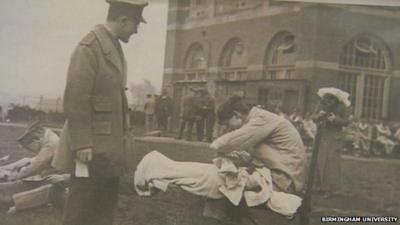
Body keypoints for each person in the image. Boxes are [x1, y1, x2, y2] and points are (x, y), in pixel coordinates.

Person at [61, 1, 148, 225]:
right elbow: (76, 98)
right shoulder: (89, 48)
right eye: (136, 24)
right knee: (81, 207)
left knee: (104, 205)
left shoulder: (111, 46)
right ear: (123, 21)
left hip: (108, 147)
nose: (137, 30)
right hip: (92, 147)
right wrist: (82, 144)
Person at [210, 95, 306, 195]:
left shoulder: (260, 119)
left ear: (236, 114)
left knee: (221, 185)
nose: (229, 129)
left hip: (284, 180)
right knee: (227, 181)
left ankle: (228, 210)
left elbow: (228, 142)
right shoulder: (257, 119)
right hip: (283, 175)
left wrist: (216, 148)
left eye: (227, 124)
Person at [312, 87, 351, 198]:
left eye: (331, 98)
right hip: (322, 136)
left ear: (335, 99)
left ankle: (329, 189)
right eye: (327, 98)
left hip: (334, 138)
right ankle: (318, 186)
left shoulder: (342, 106)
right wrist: (319, 116)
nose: (329, 100)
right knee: (319, 161)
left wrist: (335, 119)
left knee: (331, 163)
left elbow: (347, 121)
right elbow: (313, 117)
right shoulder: (321, 104)